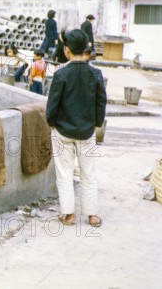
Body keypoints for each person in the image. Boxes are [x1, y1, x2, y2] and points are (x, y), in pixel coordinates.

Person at [46, 29, 107, 228]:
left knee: (64, 174)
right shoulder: (96, 74)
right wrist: (96, 124)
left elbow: (52, 106)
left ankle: (69, 215)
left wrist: (52, 124)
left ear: (67, 50)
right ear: (86, 50)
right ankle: (92, 216)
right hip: (87, 131)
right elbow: (101, 103)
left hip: (62, 132)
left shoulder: (61, 73)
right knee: (88, 173)